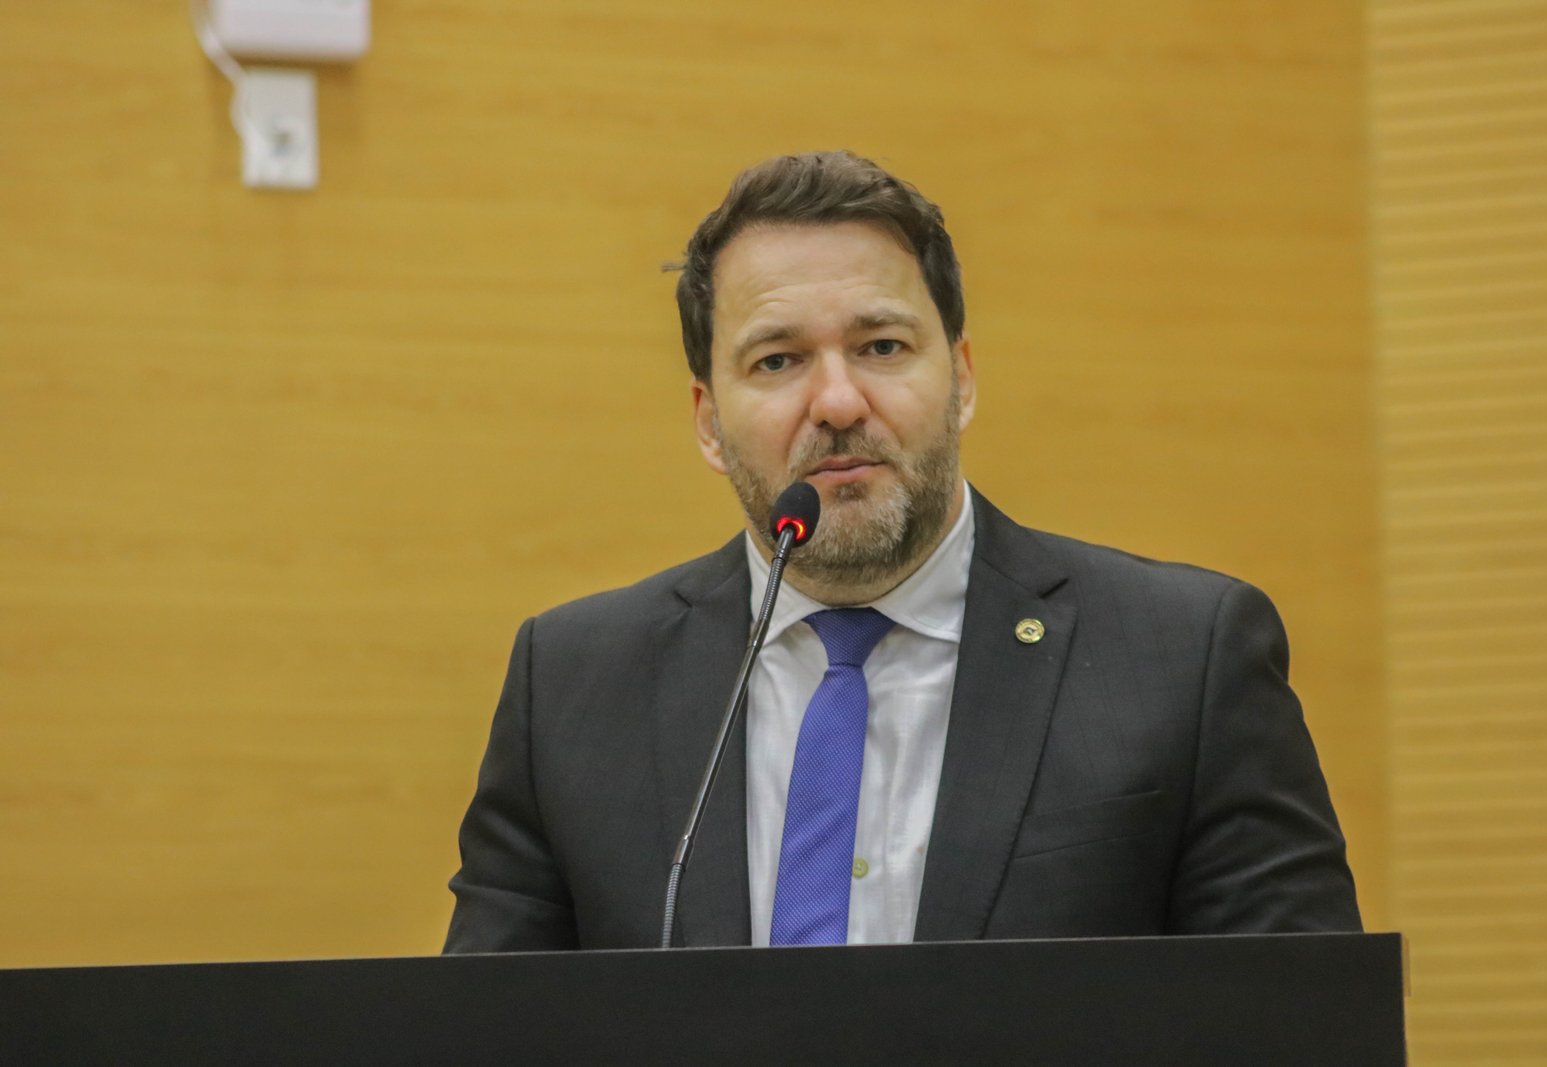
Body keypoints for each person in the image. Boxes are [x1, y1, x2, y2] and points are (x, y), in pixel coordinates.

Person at [443, 151, 1361, 952]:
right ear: (709, 422)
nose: (839, 401)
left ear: (960, 378)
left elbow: (1300, 1022)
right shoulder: (573, 685)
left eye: (881, 346)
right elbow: (486, 1033)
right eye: (777, 360)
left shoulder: (1183, 660)